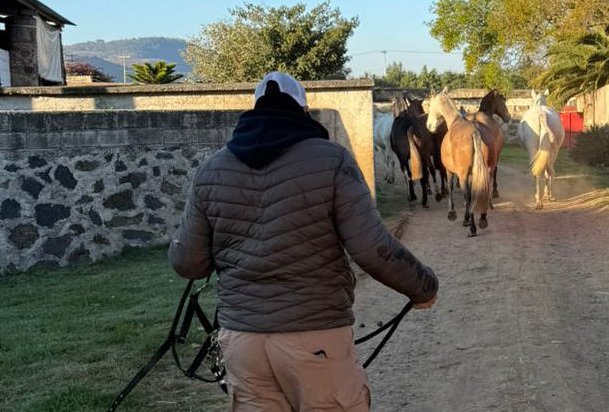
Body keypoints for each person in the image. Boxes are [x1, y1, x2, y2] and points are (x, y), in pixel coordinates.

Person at [169, 72, 438, 412]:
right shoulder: (332, 159)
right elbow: (373, 247)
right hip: (315, 337)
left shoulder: (212, 169)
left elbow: (187, 262)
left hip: (242, 342)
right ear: (303, 111)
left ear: (254, 110)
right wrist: (423, 287)